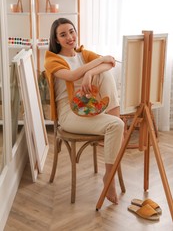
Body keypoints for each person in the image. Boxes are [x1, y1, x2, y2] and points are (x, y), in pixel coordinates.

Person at [44, 17, 124, 204]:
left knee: (104, 73)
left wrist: (91, 72)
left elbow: (109, 64)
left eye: (72, 31)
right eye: (63, 35)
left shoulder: (83, 54)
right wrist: (100, 61)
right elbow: (71, 75)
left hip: (87, 107)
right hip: (69, 114)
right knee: (117, 126)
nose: (70, 37)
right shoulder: (52, 59)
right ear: (56, 40)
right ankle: (110, 178)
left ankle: (109, 174)